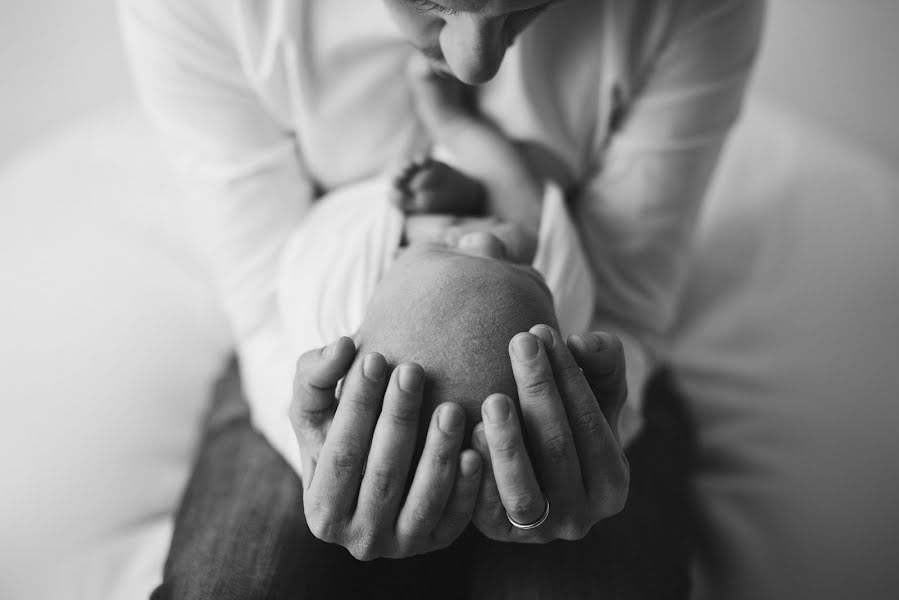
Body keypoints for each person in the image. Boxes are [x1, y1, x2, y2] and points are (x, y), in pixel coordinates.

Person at [120, 0, 764, 563]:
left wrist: (581, 449)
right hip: (288, 358)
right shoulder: (202, 10)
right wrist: (327, 458)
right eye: (430, 2)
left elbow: (626, 310)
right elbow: (266, 308)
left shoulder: (344, 280)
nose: (473, 63)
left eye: (526, 4)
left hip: (572, 388)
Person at [154, 229, 694, 599]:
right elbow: (259, 292)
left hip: (558, 418)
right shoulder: (338, 270)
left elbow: (633, 303)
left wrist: (601, 421)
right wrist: (320, 441)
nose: (483, 236)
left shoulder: (560, 253)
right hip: (291, 350)